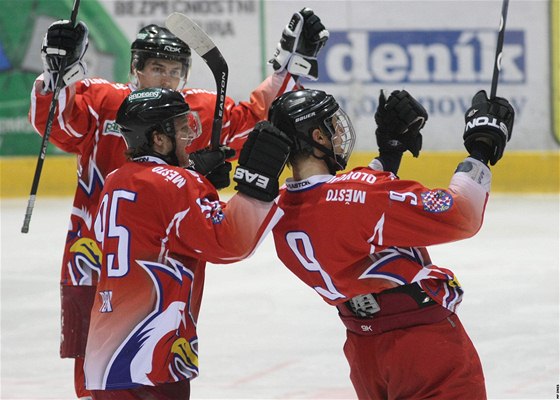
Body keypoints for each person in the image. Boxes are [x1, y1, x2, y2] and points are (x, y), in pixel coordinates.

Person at [28, 8, 327, 398]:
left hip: (160, 268)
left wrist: (289, 64)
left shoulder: (192, 111)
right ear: (135, 69)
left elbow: (256, 118)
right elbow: (60, 119)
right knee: (100, 377)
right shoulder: (105, 102)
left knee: (145, 370)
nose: (166, 78)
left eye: (174, 70)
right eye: (156, 68)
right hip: (96, 264)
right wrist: (57, 71)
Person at [263, 88, 514, 399]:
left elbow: (343, 209)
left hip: (364, 352)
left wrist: (390, 155)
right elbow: (461, 214)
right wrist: (481, 148)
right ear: (317, 137)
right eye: (332, 126)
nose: (339, 132)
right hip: (423, 346)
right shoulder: (363, 197)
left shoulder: (279, 210)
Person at [85, 87, 291, 399]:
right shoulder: (180, 185)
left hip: (104, 358)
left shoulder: (115, 179)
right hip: (153, 358)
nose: (189, 136)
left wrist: (191, 172)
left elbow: (148, 221)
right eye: (181, 128)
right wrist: (255, 186)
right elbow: (230, 242)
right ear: (158, 138)